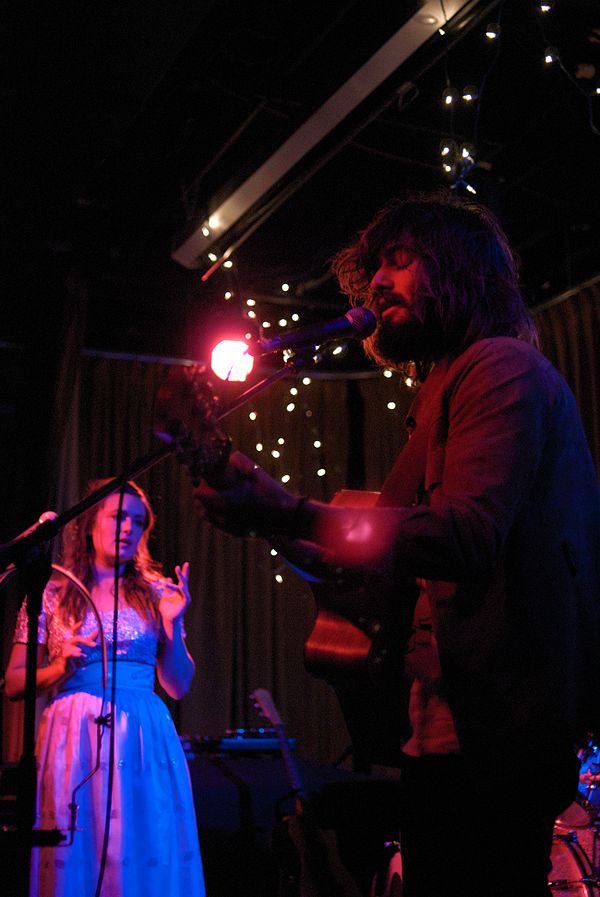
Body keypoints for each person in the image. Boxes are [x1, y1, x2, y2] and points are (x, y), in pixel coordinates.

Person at [191, 189, 600, 897]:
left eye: (402, 260)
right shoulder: (437, 394)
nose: (379, 281)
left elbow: (466, 536)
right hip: (441, 734)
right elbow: (374, 576)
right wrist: (255, 503)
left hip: (498, 737)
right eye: (375, 267)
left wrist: (287, 510)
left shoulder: (498, 366)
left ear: (461, 271)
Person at [5, 478, 206, 897]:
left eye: (138, 521)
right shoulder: (51, 592)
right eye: (118, 516)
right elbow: (14, 683)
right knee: (80, 851)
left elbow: (178, 684)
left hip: (142, 736)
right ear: (88, 524)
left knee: (142, 852)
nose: (128, 528)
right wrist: (61, 666)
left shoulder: (156, 592)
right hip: (72, 736)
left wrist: (175, 624)